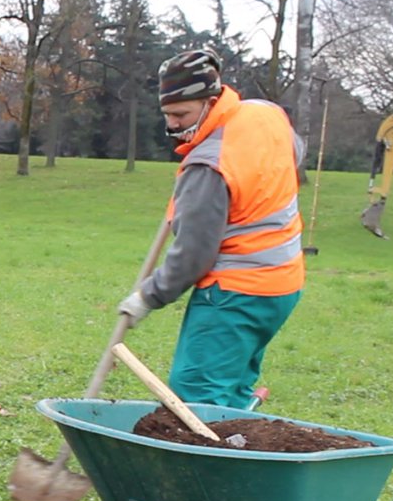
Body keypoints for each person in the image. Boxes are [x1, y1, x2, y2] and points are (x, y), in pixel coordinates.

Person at [117, 48, 305, 408]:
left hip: (235, 294)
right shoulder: (265, 115)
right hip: (283, 285)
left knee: (197, 393)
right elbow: (293, 156)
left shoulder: (209, 163)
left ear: (210, 101)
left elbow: (193, 255)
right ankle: (238, 426)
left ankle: (216, 461)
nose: (172, 124)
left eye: (180, 113)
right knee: (230, 385)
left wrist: (147, 296)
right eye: (167, 114)